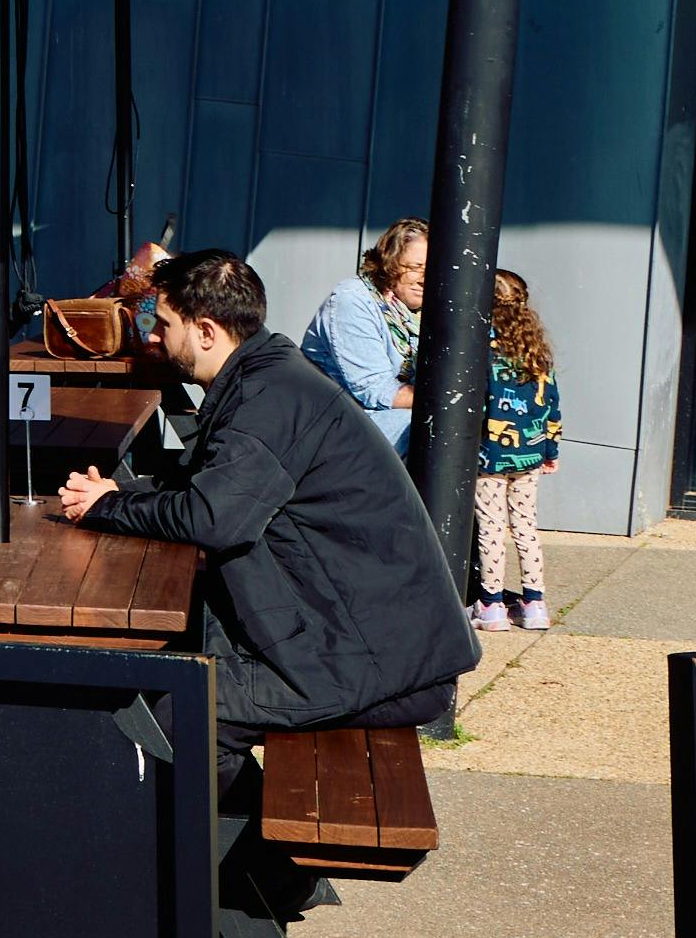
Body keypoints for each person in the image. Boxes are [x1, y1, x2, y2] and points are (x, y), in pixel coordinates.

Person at [56, 250, 475, 787]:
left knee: (169, 713)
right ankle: (236, 860)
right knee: (179, 667)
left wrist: (109, 507)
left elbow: (213, 516)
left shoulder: (268, 399)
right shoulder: (266, 378)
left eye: (163, 325)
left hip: (367, 661)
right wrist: (120, 490)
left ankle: (243, 871)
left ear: (206, 331)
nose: (154, 339)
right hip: (352, 639)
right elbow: (214, 487)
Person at [476, 267, 564, 632]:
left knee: (492, 527)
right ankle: (534, 603)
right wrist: (551, 450)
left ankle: (492, 605)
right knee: (526, 525)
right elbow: (552, 405)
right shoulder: (535, 352)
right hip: (529, 455)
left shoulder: (481, 347)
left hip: (489, 456)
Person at [305, 219, 426, 454]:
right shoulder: (353, 300)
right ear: (391, 263)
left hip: (389, 421)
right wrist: (445, 400)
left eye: (432, 269)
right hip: (340, 426)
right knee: (426, 429)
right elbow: (376, 390)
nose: (424, 278)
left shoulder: (424, 311)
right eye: (415, 267)